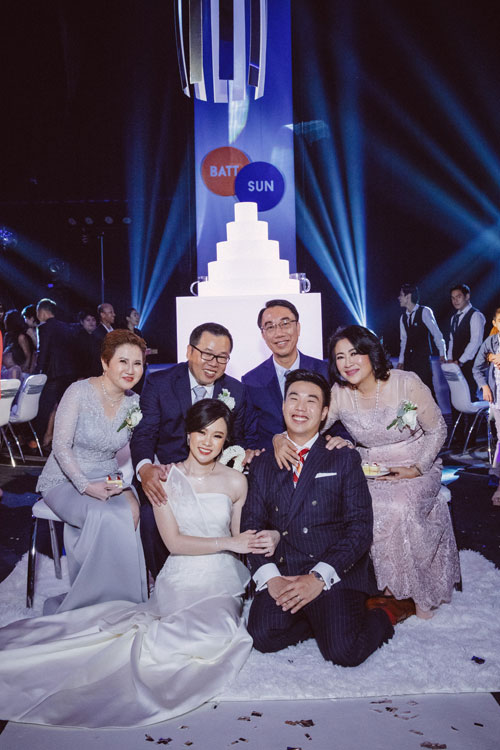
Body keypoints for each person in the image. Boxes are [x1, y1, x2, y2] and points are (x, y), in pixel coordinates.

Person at [0, 399, 279, 728]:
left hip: (222, 578)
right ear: (188, 434)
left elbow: (239, 535)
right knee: (167, 639)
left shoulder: (236, 481)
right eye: (202, 432)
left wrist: (271, 534)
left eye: (217, 436)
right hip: (182, 575)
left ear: (226, 441)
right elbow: (174, 543)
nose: (208, 442)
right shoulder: (163, 478)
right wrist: (229, 543)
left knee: (218, 634)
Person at [242, 369, 402, 668]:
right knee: (262, 636)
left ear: (325, 412)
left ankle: (385, 612)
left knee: (344, 652)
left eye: (311, 401)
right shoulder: (264, 462)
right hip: (286, 567)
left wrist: (318, 578)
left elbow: (360, 528)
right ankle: (318, 621)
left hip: (332, 568)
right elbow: (251, 525)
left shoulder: (342, 456)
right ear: (283, 405)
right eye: (294, 398)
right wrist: (270, 577)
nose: (300, 407)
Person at [317, 325, 459, 618]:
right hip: (369, 468)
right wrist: (327, 439)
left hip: (416, 463)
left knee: (398, 505)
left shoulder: (405, 383)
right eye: (340, 357)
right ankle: (378, 589)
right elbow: (312, 428)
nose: (348, 363)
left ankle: (413, 592)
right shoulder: (339, 394)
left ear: (370, 352)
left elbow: (437, 430)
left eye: (354, 353)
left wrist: (416, 468)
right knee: (353, 505)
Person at [131, 321, 260, 578]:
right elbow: (145, 433)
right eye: (207, 354)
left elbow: (239, 439)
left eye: (222, 357)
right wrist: (145, 469)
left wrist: (243, 455)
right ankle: (163, 579)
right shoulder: (160, 383)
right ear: (190, 351)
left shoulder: (236, 390)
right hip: (170, 477)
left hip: (214, 477)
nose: (214, 363)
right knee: (149, 516)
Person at [36, 329, 148, 614]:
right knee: (102, 514)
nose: (131, 370)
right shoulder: (79, 391)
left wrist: (126, 487)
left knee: (130, 512)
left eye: (137, 363)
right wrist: (85, 486)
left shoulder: (134, 403)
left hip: (108, 475)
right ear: (105, 362)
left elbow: (133, 450)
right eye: (123, 361)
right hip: (64, 478)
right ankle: (92, 601)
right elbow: (60, 447)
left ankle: (122, 601)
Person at [242, 298, 351, 449]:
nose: (279, 333)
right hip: (272, 459)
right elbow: (250, 434)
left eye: (285, 324)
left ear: (298, 328)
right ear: (263, 335)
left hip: (321, 456)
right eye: (270, 327)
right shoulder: (251, 380)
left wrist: (344, 439)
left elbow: (343, 419)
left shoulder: (326, 371)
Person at [33, 298, 78, 449]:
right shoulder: (65, 327)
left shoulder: (44, 327)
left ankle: (42, 438)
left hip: (53, 373)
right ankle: (56, 438)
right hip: (69, 372)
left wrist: (37, 372)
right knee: (61, 407)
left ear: (42, 311)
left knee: (45, 407)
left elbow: (43, 351)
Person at [397, 283, 445, 398]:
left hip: (422, 359)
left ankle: (434, 410)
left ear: (408, 296)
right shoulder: (403, 317)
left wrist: (442, 353)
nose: (399, 298)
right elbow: (404, 341)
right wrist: (401, 361)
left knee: (426, 390)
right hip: (409, 360)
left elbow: (437, 334)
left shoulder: (424, 311)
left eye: (401, 295)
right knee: (409, 393)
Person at [473, 307, 500, 505]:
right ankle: (496, 474)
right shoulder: (491, 342)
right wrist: (484, 386)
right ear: (495, 323)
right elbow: (477, 367)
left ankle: (496, 474)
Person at [447, 283, 485, 399]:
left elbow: (476, 342)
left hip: (470, 365)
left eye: (458, 297)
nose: (455, 301)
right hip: (455, 365)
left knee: (469, 397)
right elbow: (451, 340)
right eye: (453, 298)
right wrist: (450, 359)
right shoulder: (453, 318)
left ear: (467, 296)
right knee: (456, 398)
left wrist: (460, 361)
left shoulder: (476, 315)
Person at [1, 309, 34, 377]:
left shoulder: (21, 337)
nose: (4, 321)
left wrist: (25, 367)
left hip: (17, 370)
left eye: (6, 319)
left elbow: (28, 354)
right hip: (6, 369)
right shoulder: (7, 336)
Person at [90, 302, 116, 375]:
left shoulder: (115, 331)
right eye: (111, 312)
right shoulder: (97, 334)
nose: (114, 314)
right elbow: (96, 359)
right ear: (103, 315)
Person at [74, 309, 97, 378]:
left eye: (93, 320)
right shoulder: (77, 338)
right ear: (81, 322)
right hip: (82, 376)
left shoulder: (96, 338)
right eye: (88, 320)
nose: (91, 322)